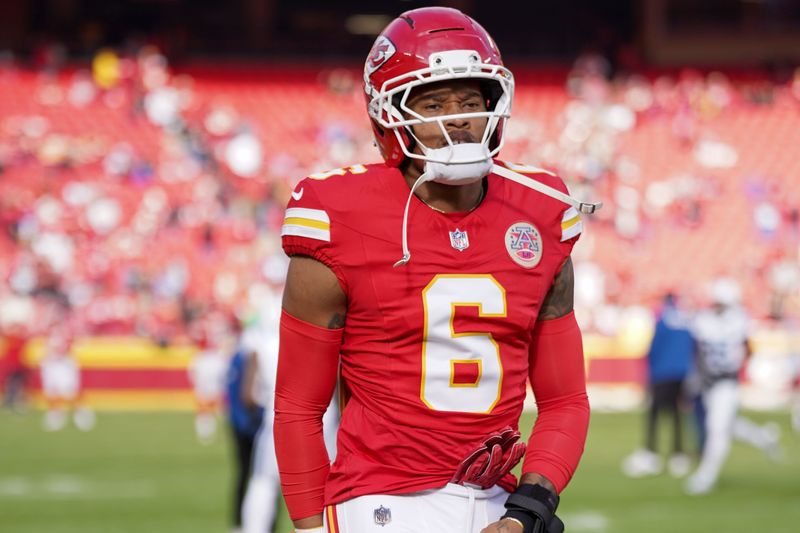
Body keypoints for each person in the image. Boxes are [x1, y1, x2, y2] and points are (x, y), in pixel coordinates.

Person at [274, 7, 598, 533]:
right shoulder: (339, 213)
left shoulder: (539, 211)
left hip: (498, 501)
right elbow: (297, 407)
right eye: (432, 102)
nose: (458, 117)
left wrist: (529, 512)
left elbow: (565, 400)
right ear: (388, 114)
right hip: (379, 505)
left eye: (471, 100)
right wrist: (311, 527)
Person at [684, 278, 780, 495]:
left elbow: (748, 347)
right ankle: (765, 438)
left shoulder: (739, 319)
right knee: (729, 426)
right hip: (710, 383)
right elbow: (698, 352)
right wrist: (698, 379)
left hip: (727, 383)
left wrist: (736, 364)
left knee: (717, 430)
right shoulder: (705, 320)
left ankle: (705, 477)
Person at [621, 293, 693, 478]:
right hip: (682, 373)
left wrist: (650, 374)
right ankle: (678, 454)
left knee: (654, 413)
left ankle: (651, 452)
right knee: (677, 414)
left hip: (663, 373)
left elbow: (655, 348)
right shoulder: (685, 320)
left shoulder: (662, 319)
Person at [225, 327, 264, 533]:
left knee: (244, 475)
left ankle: (238, 522)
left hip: (238, 423)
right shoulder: (249, 359)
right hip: (251, 426)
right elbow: (247, 396)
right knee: (262, 478)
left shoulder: (235, 358)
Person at [39, 328, 95, 431]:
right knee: (52, 393)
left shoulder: (66, 333)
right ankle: (56, 415)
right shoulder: (50, 333)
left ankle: (81, 414)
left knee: (71, 393)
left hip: (64, 365)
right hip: (52, 365)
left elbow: (70, 347)